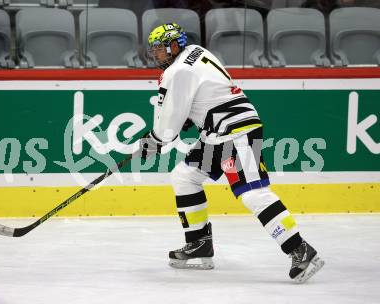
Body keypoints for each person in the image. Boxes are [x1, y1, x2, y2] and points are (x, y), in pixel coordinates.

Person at [136, 23, 324, 283]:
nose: (155, 55)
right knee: (185, 176)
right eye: (154, 50)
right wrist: (191, 116)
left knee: (253, 194)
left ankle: (300, 249)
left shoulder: (177, 71)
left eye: (160, 49)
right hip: (218, 132)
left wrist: (154, 140)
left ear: (175, 46)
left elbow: (169, 125)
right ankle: (199, 244)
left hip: (236, 132)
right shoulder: (196, 51)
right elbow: (209, 91)